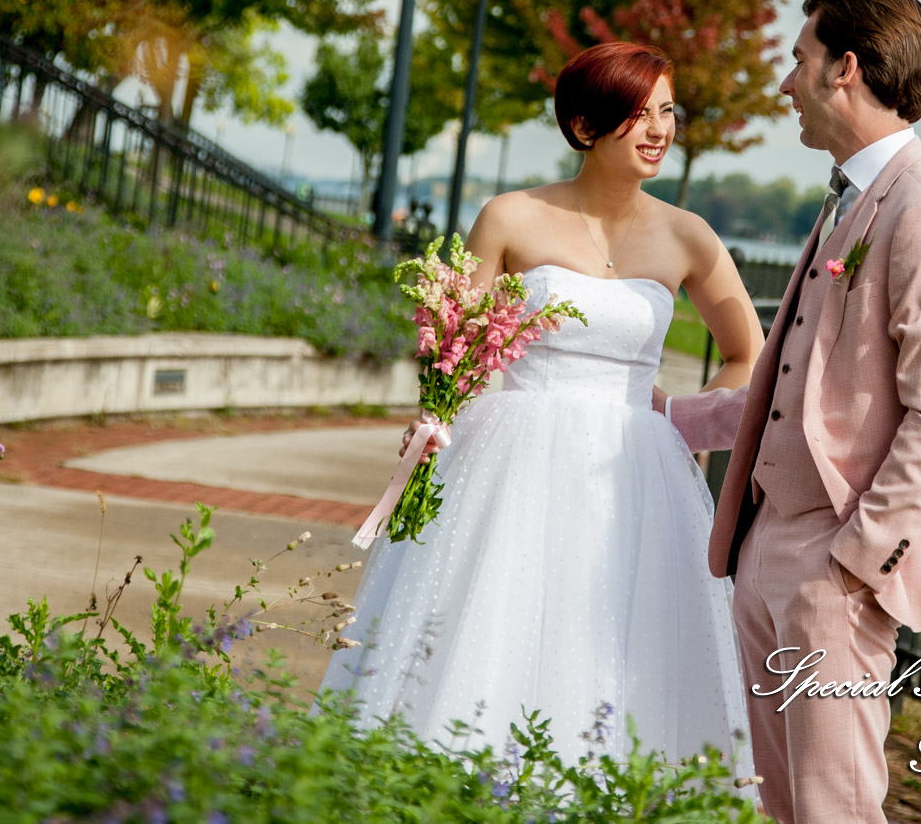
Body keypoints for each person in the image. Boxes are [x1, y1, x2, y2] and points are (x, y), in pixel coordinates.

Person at [321, 42, 763, 783]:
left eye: (666, 111)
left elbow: (748, 353)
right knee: (491, 621)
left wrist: (679, 420)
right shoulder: (510, 217)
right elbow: (451, 345)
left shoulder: (689, 236)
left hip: (637, 470)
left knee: (617, 638)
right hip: (514, 453)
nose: (658, 129)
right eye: (636, 114)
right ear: (586, 126)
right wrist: (436, 412)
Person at [657, 0, 921, 824]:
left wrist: (852, 562)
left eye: (797, 60)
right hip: (766, 545)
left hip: (832, 565)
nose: (784, 83)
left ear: (844, 69)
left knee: (835, 809)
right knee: (778, 806)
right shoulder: (847, 197)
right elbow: (794, 389)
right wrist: (666, 417)